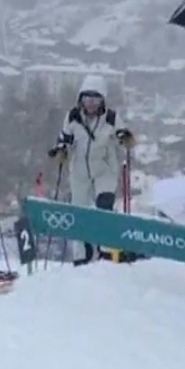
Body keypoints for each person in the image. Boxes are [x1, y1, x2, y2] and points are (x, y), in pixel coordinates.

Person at [49, 77, 134, 264]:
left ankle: (107, 251)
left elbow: (122, 134)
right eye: (87, 98)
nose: (91, 103)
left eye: (96, 99)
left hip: (104, 167)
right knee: (79, 213)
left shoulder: (110, 118)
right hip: (80, 169)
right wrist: (61, 149)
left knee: (104, 206)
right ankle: (82, 255)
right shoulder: (72, 117)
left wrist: (125, 138)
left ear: (102, 100)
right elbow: (65, 137)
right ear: (81, 99)